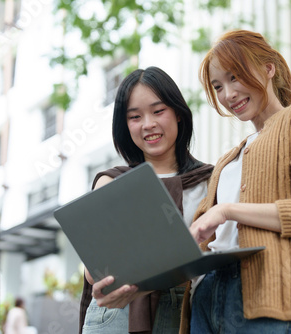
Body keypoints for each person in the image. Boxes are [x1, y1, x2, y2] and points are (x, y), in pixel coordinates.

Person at [180, 30, 291, 334]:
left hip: (268, 300)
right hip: (204, 300)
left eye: (235, 77)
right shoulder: (227, 160)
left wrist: (228, 211)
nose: (228, 94)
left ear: (268, 68)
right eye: (218, 86)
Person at [79, 66, 213, 334]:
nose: (148, 124)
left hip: (186, 310)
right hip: (117, 312)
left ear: (178, 113)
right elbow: (91, 271)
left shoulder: (210, 181)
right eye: (135, 116)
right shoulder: (111, 182)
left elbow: (217, 253)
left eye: (158, 111)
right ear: (125, 125)